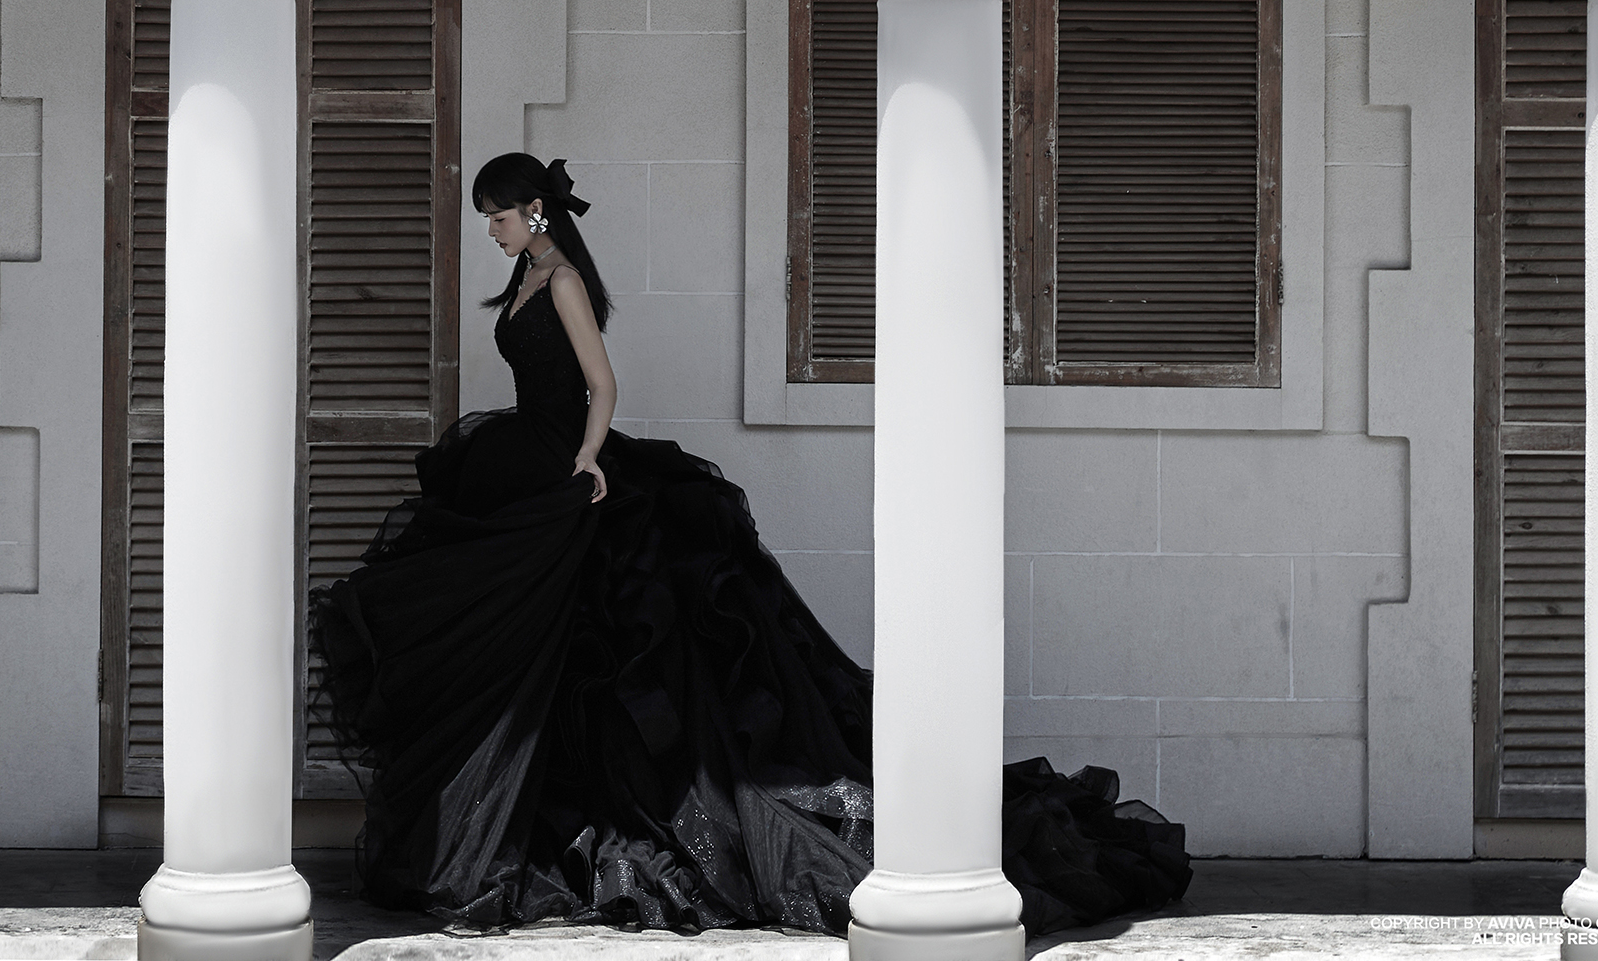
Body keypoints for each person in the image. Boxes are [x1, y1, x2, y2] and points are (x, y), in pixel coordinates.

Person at [307, 152, 1190, 937]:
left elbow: (602, 383)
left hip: (564, 469)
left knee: (607, 655)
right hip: (526, 470)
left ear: (535, 211)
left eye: (498, 216)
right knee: (520, 653)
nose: (491, 231)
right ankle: (512, 821)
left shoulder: (564, 280)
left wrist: (587, 459)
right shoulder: (529, 276)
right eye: (487, 219)